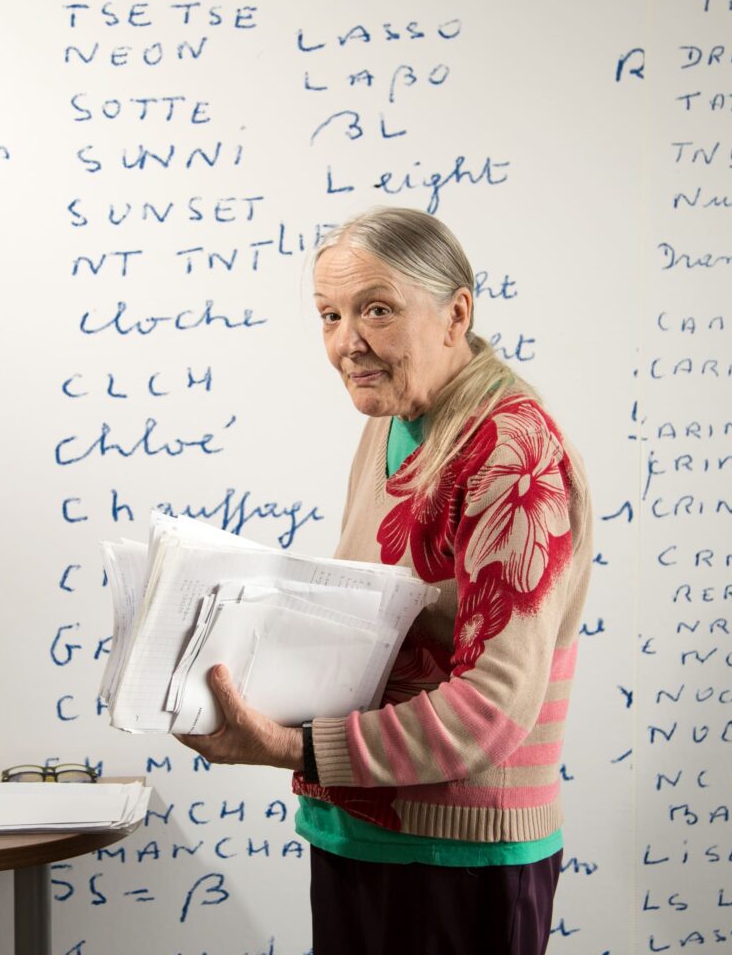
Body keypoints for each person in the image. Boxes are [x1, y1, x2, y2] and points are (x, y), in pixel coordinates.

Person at [176, 207, 592, 955]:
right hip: (362, 829)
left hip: (456, 859)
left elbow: (493, 709)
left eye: (377, 310)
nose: (346, 343)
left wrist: (288, 745)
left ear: (454, 313)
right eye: (329, 315)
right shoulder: (394, 413)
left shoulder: (512, 452)